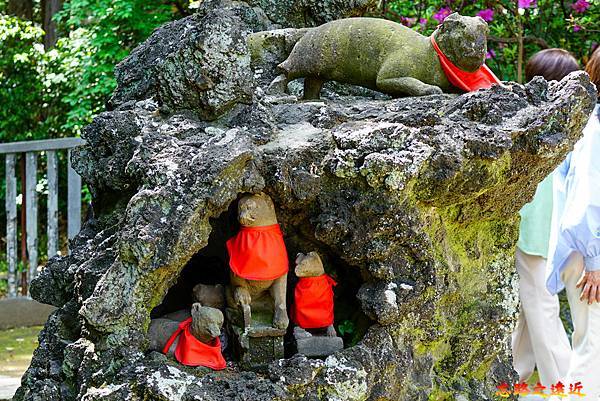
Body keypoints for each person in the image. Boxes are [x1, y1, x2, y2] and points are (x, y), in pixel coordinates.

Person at [512, 48, 580, 388]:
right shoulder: (569, 124)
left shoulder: (535, 122)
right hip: (548, 231)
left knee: (539, 307)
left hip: (537, 232)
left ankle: (561, 386)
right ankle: (514, 380)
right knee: (533, 307)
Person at [546, 47, 600, 400]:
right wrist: (595, 262)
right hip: (589, 253)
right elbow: (586, 198)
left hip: (585, 250)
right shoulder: (594, 126)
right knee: (591, 349)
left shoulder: (588, 121)